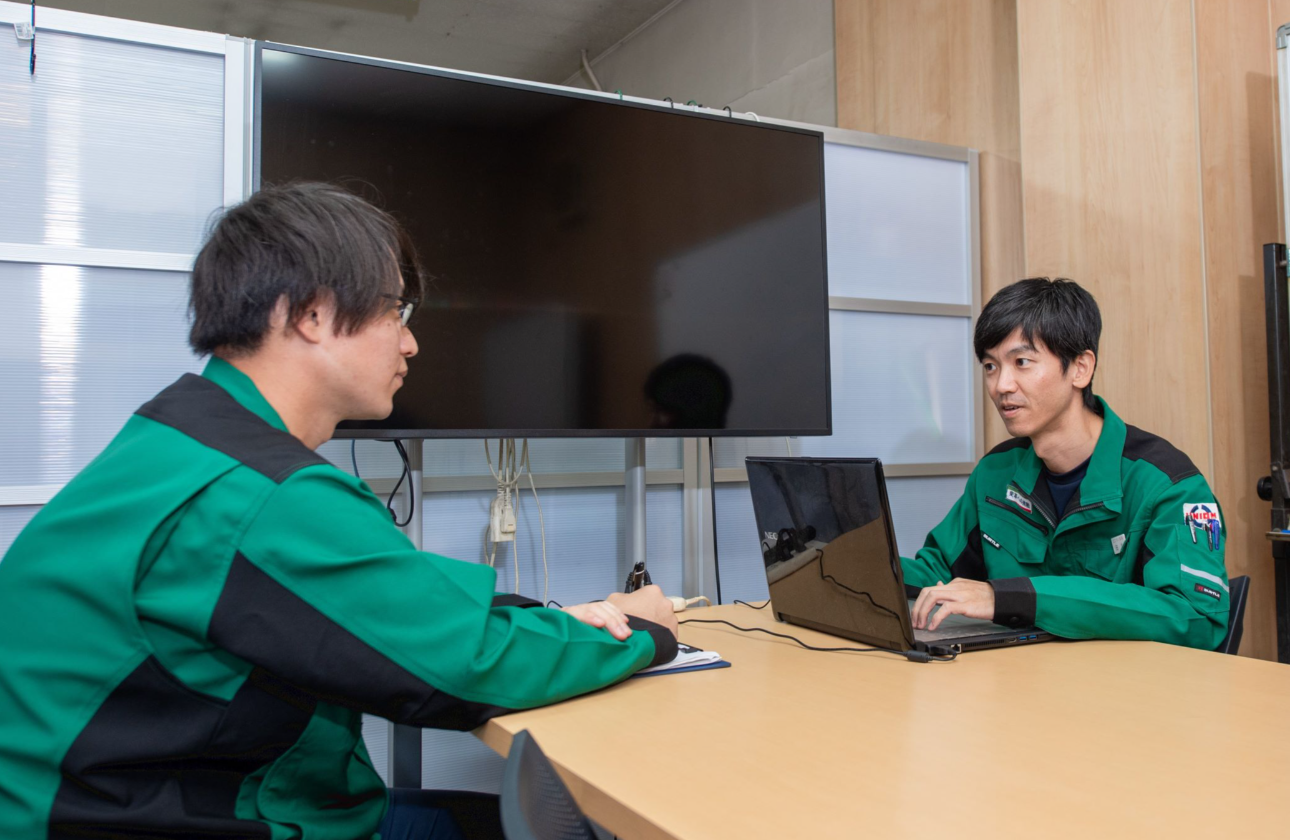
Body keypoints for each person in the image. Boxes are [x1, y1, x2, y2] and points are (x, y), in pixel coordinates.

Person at [0, 183, 679, 840]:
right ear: (311, 315)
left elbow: (389, 600)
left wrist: (558, 618)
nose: (410, 344)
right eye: (395, 313)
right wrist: (647, 633)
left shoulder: (185, 437)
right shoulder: (261, 491)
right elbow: (463, 666)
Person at [902, 277, 1229, 650]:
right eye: (990, 366)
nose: (1001, 385)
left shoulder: (1168, 485)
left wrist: (1011, 598)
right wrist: (857, 566)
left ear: (1080, 368)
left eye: (1021, 362)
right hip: (1017, 677)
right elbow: (935, 575)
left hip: (1124, 683)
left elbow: (1196, 618)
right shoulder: (995, 473)